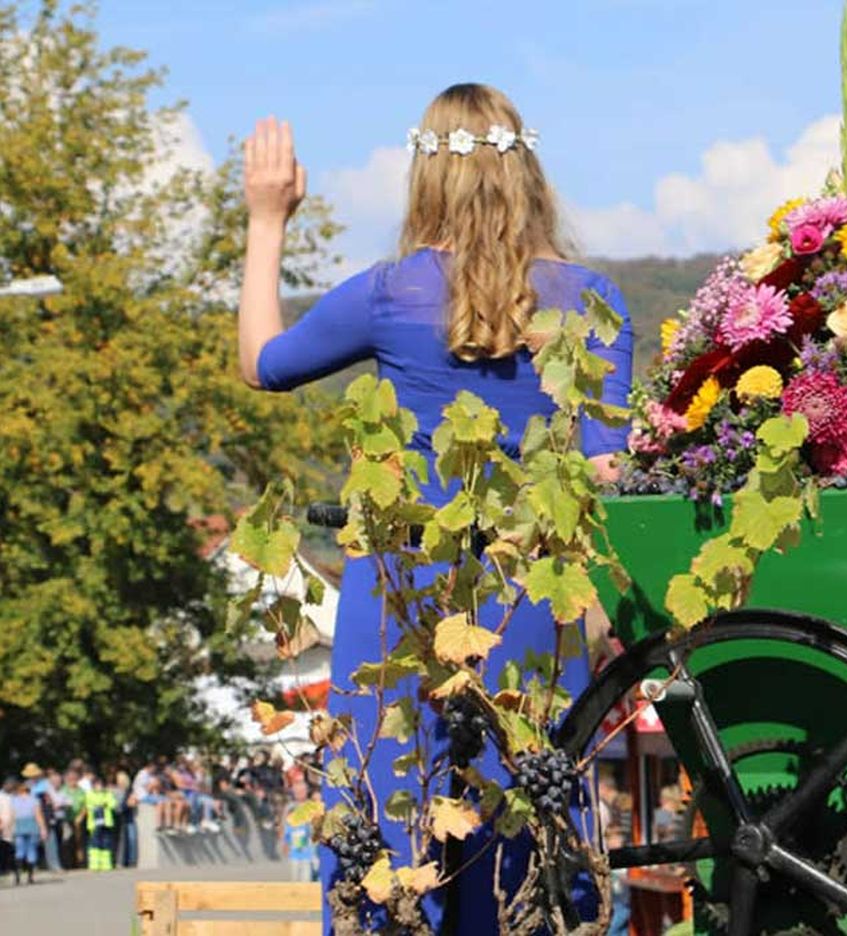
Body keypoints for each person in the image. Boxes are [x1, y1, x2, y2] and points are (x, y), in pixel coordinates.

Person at [237, 83, 632, 935]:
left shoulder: (390, 294)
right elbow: (611, 473)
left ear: (424, 176)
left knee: (390, 831)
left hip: (397, 599)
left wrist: (267, 219)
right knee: (528, 822)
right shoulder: (592, 301)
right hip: (532, 593)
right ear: (529, 169)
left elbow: (263, 362)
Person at [9, 780, 47, 885]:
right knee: (31, 851)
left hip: (19, 826)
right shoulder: (34, 800)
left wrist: (10, 829)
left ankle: (17, 877)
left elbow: (12, 816)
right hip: (32, 826)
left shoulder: (14, 801)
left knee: (19, 851)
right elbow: (38, 816)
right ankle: (30, 877)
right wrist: (43, 829)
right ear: (29, 790)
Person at [282, 780, 318, 882]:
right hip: (294, 851)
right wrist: (285, 842)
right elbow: (285, 826)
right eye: (297, 791)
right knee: (294, 881)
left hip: (309, 851)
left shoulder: (312, 807)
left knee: (306, 881)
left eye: (302, 791)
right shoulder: (290, 807)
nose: (299, 793)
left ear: (306, 791)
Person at [83, 771, 117, 871]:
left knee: (106, 843)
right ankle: (94, 865)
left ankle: (106, 865)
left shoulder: (108, 794)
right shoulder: (89, 794)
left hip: (106, 823)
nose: (99, 787)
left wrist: (105, 803)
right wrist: (101, 804)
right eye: (97, 785)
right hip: (94, 824)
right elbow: (89, 805)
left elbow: (113, 804)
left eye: (101, 785)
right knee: (95, 844)